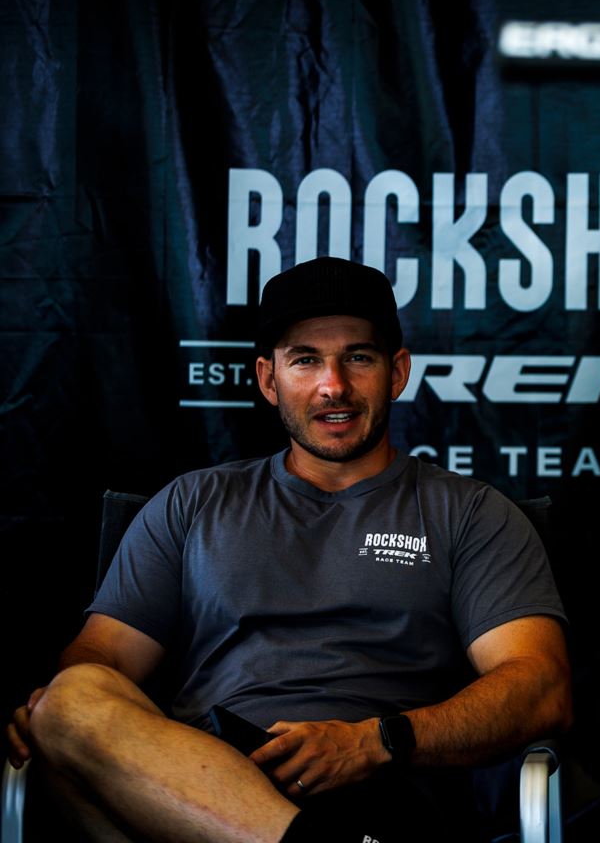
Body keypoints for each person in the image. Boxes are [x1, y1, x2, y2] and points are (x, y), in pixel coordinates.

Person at [5, 257, 571, 843]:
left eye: (359, 356)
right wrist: (62, 714)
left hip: (377, 794)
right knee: (70, 700)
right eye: (305, 360)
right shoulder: (191, 503)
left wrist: (375, 741)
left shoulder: (471, 514)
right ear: (269, 379)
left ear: (396, 372)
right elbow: (104, 659)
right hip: (192, 781)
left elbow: (540, 685)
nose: (334, 385)